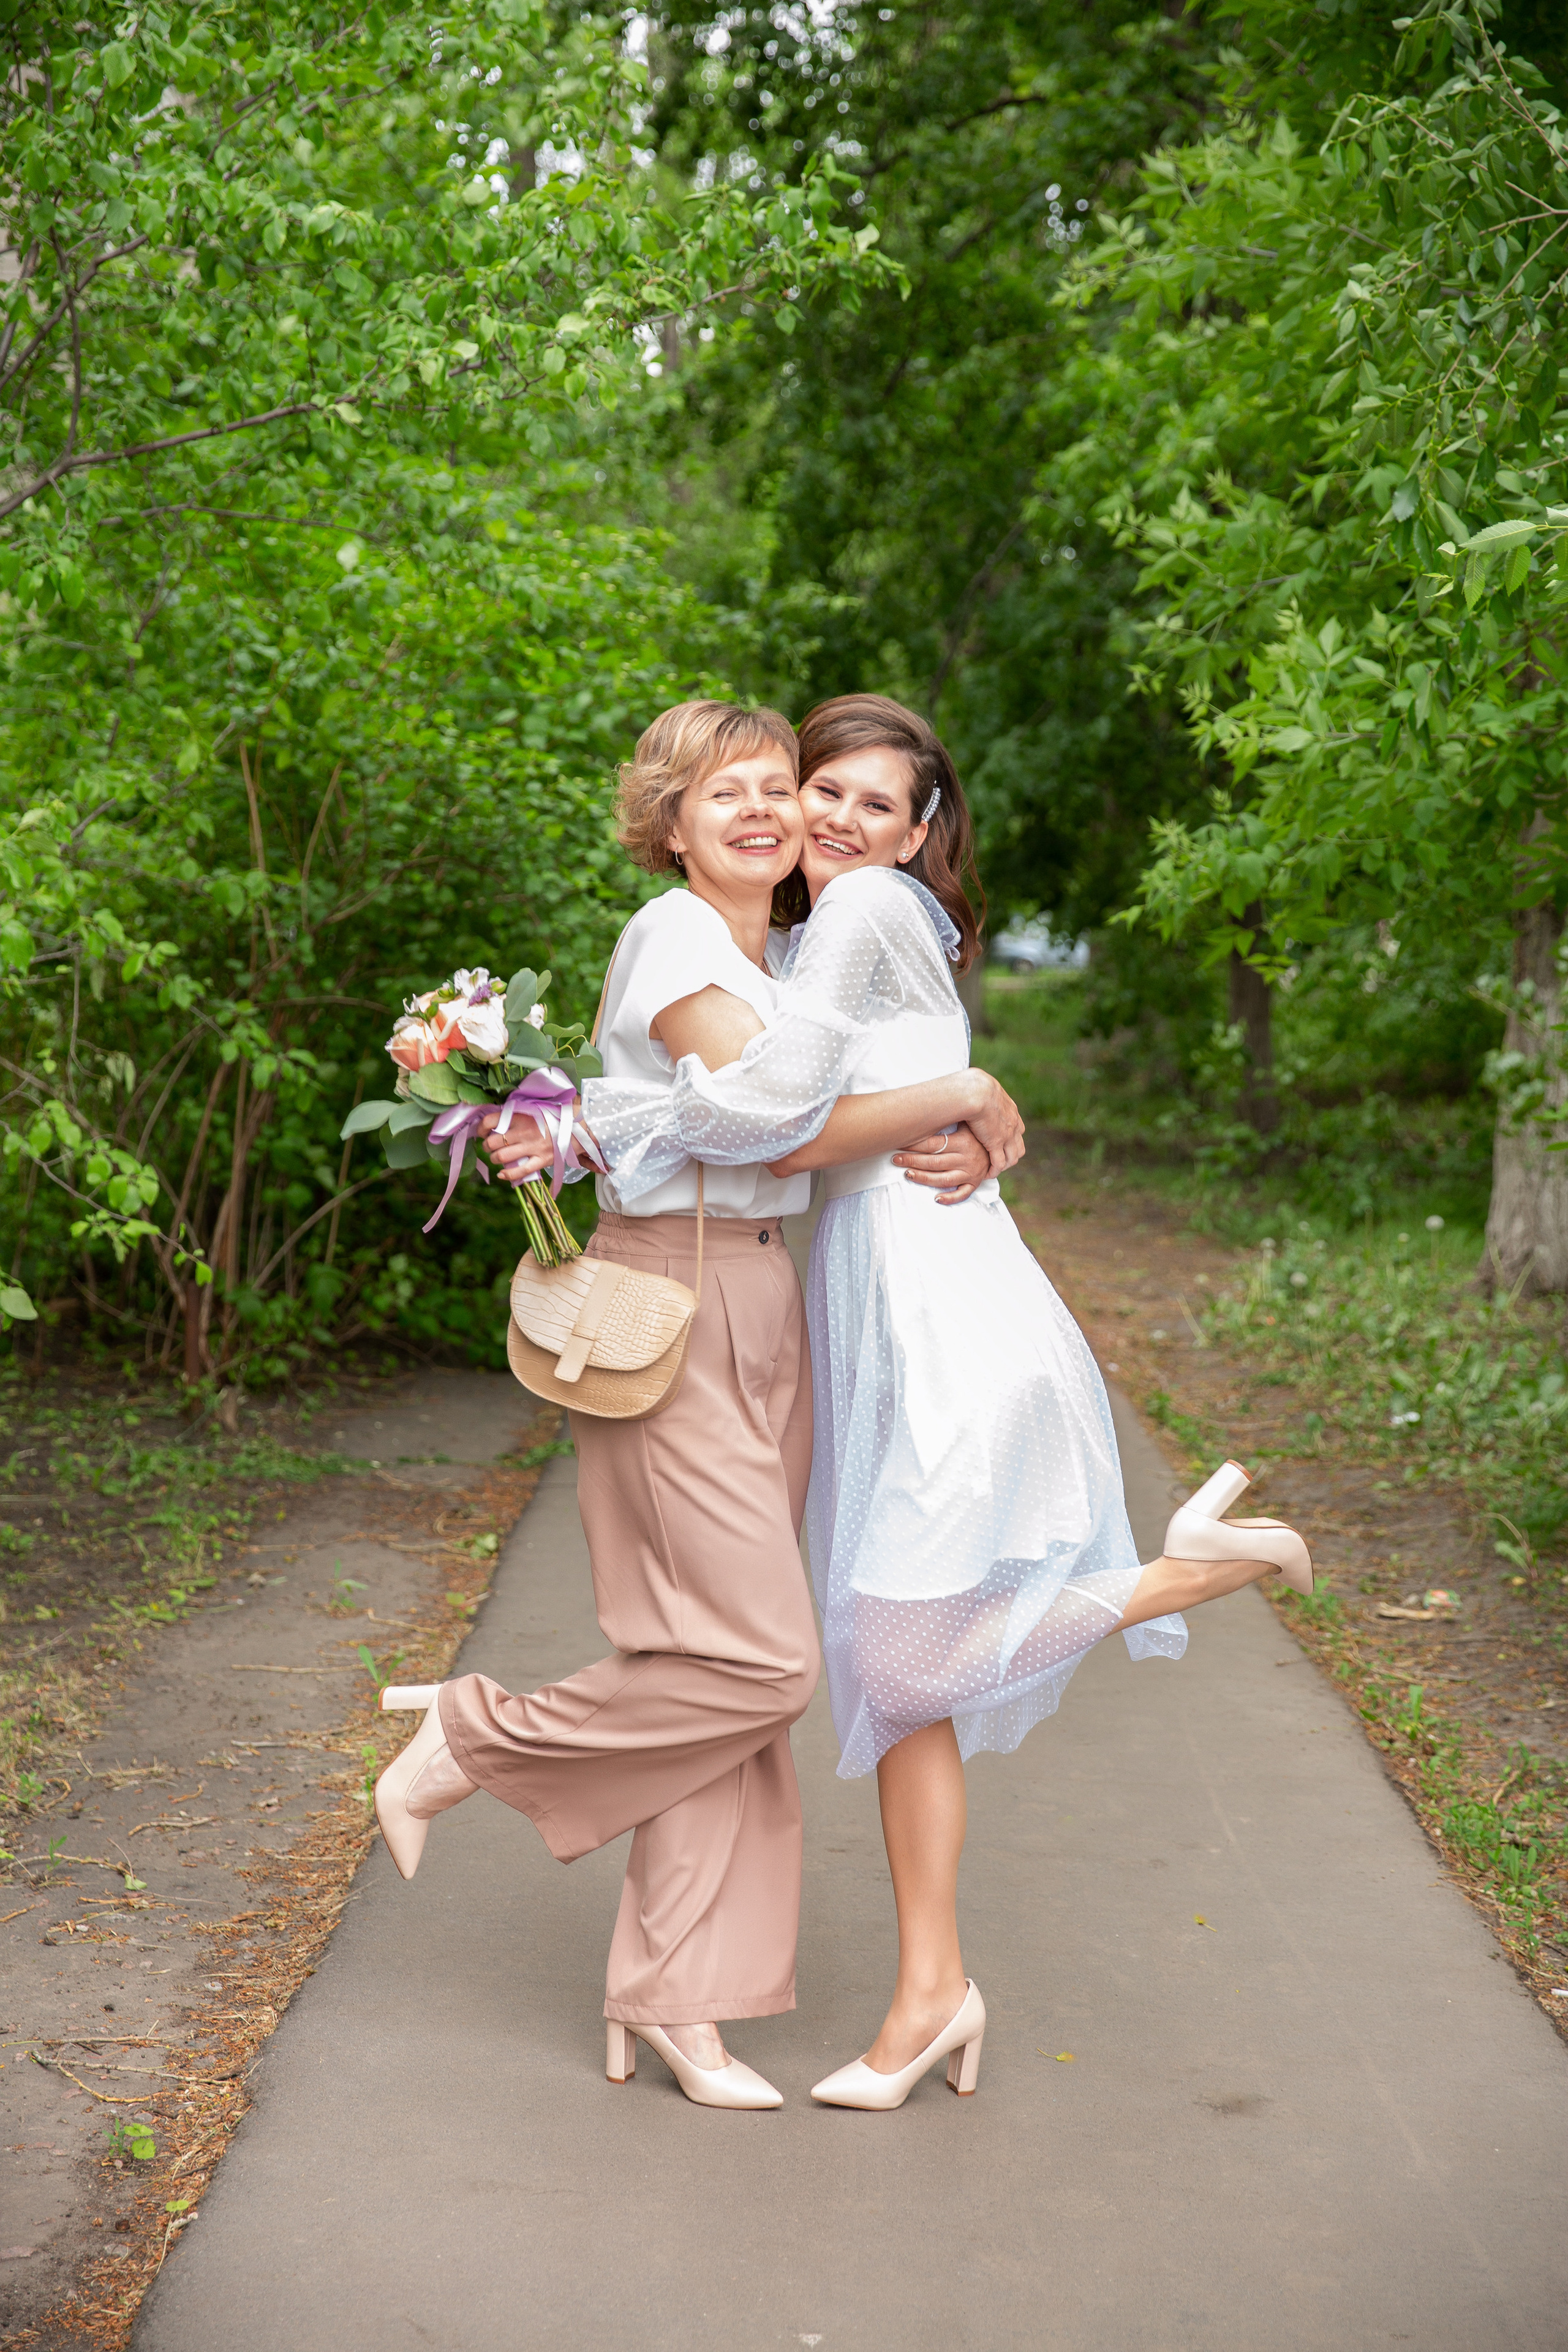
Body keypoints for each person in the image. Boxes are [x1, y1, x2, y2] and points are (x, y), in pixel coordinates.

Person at [578, 693, 1314, 2112]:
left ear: (921, 836)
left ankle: (1181, 1575)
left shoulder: (855, 919)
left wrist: (637, 1122)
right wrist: (962, 1098)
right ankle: (930, 1995)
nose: (833, 822)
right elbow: (830, 1086)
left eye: (870, 804)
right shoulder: (787, 940)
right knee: (885, 1662)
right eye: (820, 792)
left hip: (932, 1301)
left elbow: (778, 1109)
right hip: (874, 1291)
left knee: (893, 1658)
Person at [374, 699, 1023, 2113]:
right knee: (761, 1662)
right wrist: (960, 1085)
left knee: (712, 1668)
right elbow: (782, 1118)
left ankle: (678, 1998)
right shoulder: (674, 937)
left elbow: (836, 1109)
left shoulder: (786, 949)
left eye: (777, 787)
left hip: (762, 1298)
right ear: (669, 824)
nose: (763, 810)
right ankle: (468, 1741)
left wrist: (963, 1120)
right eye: (723, 791)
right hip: (664, 1298)